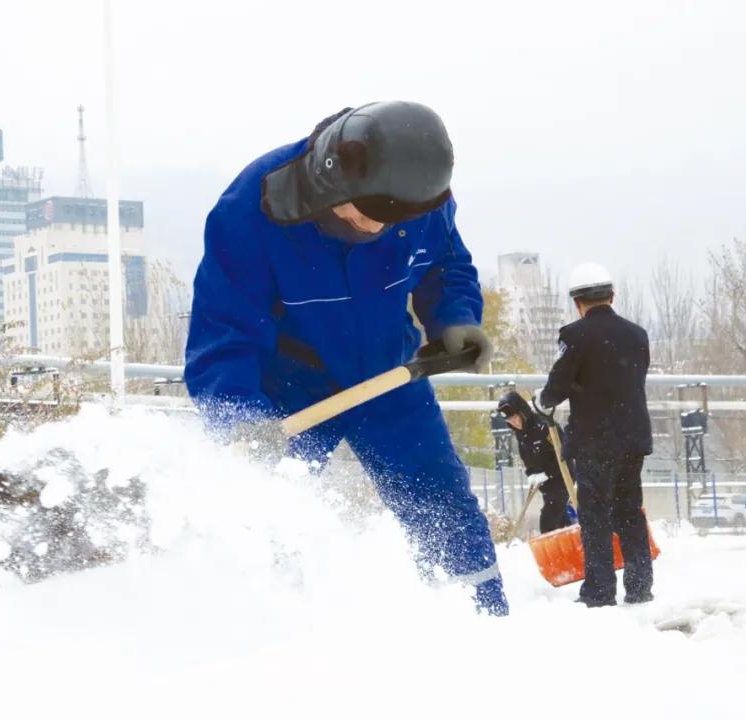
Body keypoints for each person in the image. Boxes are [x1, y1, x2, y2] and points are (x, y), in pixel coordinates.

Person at [184, 101, 508, 615]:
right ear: (333, 185)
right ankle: (268, 630)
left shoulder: (420, 198)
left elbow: (446, 264)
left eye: (391, 222)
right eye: (365, 216)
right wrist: (240, 417)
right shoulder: (253, 207)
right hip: (287, 388)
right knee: (267, 517)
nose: (377, 230)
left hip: (387, 372)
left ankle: (481, 620)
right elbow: (224, 332)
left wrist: (455, 319)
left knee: (442, 505)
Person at [536, 262, 654, 607]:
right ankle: (640, 585)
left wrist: (543, 402)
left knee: (595, 515)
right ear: (612, 295)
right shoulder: (638, 334)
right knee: (630, 511)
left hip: (594, 441)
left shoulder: (574, 335)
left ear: (577, 302)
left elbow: (557, 385)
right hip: (633, 437)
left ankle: (599, 591)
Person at [496, 391, 572, 533]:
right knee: (560, 519)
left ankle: (548, 550)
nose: (513, 423)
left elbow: (564, 455)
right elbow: (527, 459)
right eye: (509, 421)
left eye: (514, 417)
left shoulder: (544, 427)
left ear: (522, 412)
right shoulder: (521, 434)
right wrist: (531, 474)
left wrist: (547, 473)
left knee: (549, 517)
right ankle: (570, 544)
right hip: (546, 483)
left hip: (562, 478)